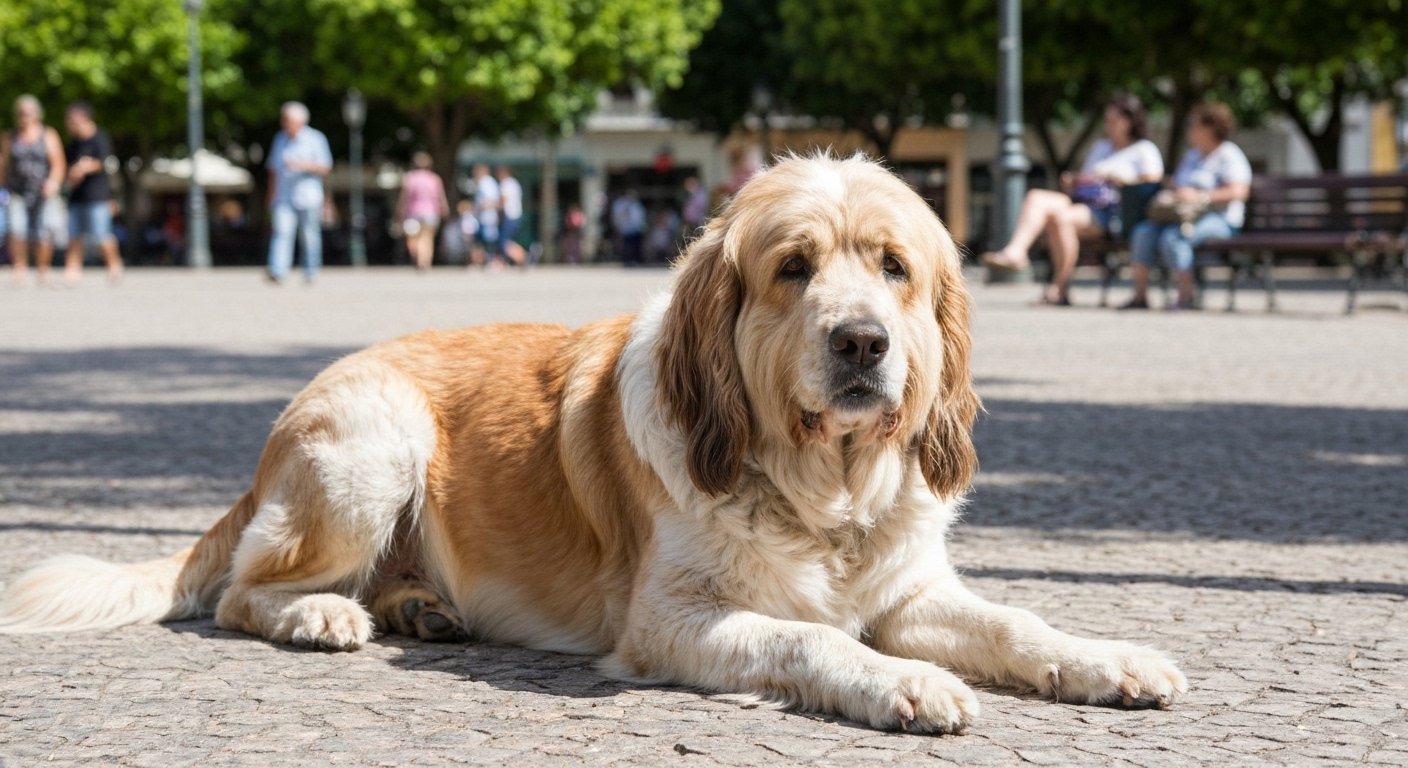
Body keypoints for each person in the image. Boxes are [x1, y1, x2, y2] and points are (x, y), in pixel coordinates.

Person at [982, 94, 1164, 305]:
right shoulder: (1101, 147)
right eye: (1107, 121)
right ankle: (1016, 251)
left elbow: (1153, 181)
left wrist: (1121, 179)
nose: (1109, 126)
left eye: (1114, 121)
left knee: (1062, 218)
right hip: (1084, 201)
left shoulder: (1144, 149)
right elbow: (1090, 177)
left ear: (1130, 121)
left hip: (1113, 210)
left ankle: (1059, 288)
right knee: (1036, 197)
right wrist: (1076, 181)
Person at [1124, 102, 1252, 311]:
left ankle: (1186, 295)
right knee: (1143, 231)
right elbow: (1177, 184)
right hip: (1181, 215)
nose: (1190, 130)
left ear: (1210, 128)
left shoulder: (1229, 155)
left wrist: (1200, 196)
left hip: (1220, 219)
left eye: (1194, 125)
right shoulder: (1192, 155)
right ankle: (1140, 295)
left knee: (1175, 237)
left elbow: (1239, 192)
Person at [0, 95, 67, 287]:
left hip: (42, 191)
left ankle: (42, 269)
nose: (24, 116)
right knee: (16, 229)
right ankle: (19, 267)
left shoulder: (48, 134)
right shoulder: (9, 136)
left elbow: (58, 163)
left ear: (37, 114)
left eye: (28, 112)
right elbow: (4, 166)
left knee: (42, 231)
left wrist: (53, 182)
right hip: (16, 191)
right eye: (21, 113)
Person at [265, 101, 332, 284]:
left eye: (288, 120)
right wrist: (271, 194)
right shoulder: (280, 139)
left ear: (300, 121)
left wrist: (300, 165)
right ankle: (278, 270)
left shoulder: (316, 139)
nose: (284, 123)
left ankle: (311, 271)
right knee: (281, 232)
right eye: (284, 119)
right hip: (284, 195)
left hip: (308, 196)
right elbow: (273, 170)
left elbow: (325, 167)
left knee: (309, 235)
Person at [61, 101, 123, 286]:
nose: (69, 124)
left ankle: (114, 265)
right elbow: (66, 168)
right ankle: (72, 270)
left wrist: (86, 167)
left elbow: (103, 162)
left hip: (97, 196)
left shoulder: (100, 138)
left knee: (102, 234)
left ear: (82, 118)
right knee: (74, 236)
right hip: (77, 196)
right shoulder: (73, 144)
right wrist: (72, 174)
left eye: (71, 120)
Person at [394, 152, 449, 271]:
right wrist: (444, 209)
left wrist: (399, 212)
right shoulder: (434, 179)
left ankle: (417, 256)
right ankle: (424, 261)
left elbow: (404, 198)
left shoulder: (410, 178)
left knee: (412, 239)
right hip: (431, 213)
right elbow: (440, 197)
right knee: (427, 238)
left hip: (413, 213)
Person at [470, 163, 499, 268]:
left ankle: (490, 262)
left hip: (488, 218)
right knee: (479, 242)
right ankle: (478, 262)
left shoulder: (487, 182)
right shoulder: (482, 182)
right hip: (481, 218)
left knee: (488, 242)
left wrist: (479, 206)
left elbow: (492, 200)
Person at [495, 165, 525, 266]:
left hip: (509, 216)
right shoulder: (515, 183)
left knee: (504, 242)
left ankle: (525, 256)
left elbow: (504, 200)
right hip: (517, 215)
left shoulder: (505, 183)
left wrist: (492, 207)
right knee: (509, 241)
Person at [610, 190, 646, 266]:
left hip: (635, 229)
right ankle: (626, 260)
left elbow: (639, 218)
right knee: (626, 246)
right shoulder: (620, 204)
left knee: (635, 246)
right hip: (625, 229)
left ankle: (635, 260)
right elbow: (617, 217)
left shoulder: (636, 205)